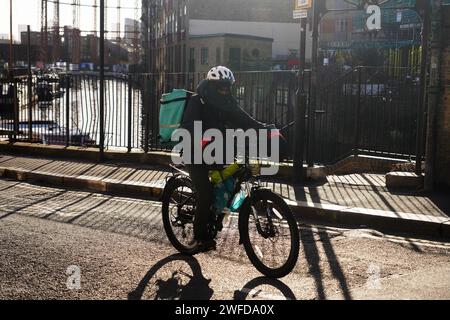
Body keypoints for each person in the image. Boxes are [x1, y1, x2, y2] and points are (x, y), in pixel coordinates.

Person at [181, 66, 275, 252]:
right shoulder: (197, 101)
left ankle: (215, 215)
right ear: (211, 86)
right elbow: (188, 126)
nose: (224, 90)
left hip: (216, 151)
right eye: (221, 87)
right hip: (194, 151)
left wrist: (264, 128)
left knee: (232, 177)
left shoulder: (226, 102)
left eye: (227, 87)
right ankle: (199, 238)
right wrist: (202, 138)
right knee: (206, 194)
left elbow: (243, 118)